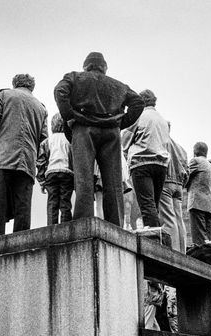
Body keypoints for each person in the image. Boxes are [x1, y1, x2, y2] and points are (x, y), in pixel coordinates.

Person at [54, 51, 144, 226]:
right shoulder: (118, 85)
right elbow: (138, 102)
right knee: (113, 181)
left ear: (86, 66)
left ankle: (83, 221)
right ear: (104, 68)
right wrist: (120, 122)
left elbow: (60, 91)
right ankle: (115, 224)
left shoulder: (75, 77)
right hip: (111, 132)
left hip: (83, 128)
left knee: (84, 178)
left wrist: (69, 115)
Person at [0, 74, 48, 237]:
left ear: (14, 84)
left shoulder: (4, 95)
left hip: (2, 157)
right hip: (27, 160)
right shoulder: (41, 107)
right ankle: (21, 242)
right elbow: (43, 138)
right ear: (31, 87)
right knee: (23, 206)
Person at [123, 89, 170, 228]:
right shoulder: (163, 120)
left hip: (141, 163)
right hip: (161, 164)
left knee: (146, 204)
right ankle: (158, 235)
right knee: (154, 204)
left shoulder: (139, 116)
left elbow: (124, 141)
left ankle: (153, 240)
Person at [36, 113, 74, 225]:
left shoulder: (47, 141)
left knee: (52, 202)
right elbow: (74, 158)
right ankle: (65, 227)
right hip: (67, 172)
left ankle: (51, 228)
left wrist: (42, 181)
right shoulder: (69, 140)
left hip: (51, 173)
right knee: (65, 202)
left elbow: (40, 162)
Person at [159, 136, 188, 251]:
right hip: (179, 186)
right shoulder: (181, 149)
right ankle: (182, 251)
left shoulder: (162, 142)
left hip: (166, 182)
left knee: (168, 218)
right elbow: (187, 171)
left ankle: (173, 251)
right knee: (179, 219)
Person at [186, 142, 211, 246]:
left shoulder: (195, 161)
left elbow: (185, 176)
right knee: (208, 238)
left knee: (199, 238)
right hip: (208, 204)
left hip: (197, 202)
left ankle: (201, 258)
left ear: (194, 152)